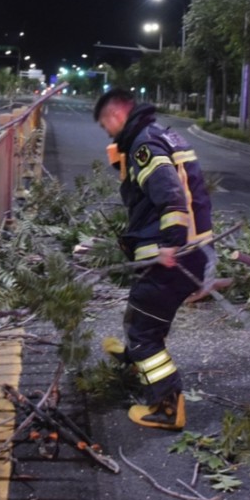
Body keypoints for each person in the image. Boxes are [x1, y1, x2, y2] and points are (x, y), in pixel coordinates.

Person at [94, 88, 214, 430]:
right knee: (143, 311)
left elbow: (172, 196)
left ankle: (166, 406)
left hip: (177, 254)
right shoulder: (162, 134)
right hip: (195, 251)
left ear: (116, 116)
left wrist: (170, 245)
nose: (107, 133)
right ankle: (135, 356)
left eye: (106, 125)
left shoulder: (144, 146)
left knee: (144, 329)